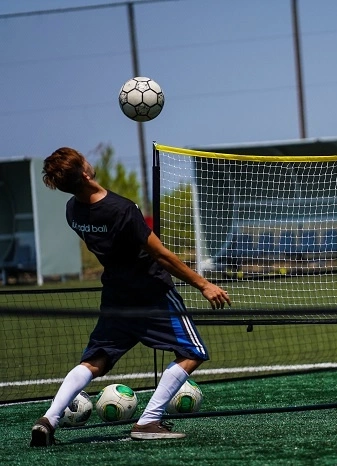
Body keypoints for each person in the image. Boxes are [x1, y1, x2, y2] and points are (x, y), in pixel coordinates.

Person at [30, 147, 231, 446]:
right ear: (84, 173)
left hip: (116, 295)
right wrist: (203, 284)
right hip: (152, 293)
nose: (89, 160)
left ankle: (49, 419)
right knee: (193, 352)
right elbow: (160, 255)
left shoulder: (73, 210)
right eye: (84, 159)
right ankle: (149, 420)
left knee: (95, 360)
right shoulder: (121, 209)